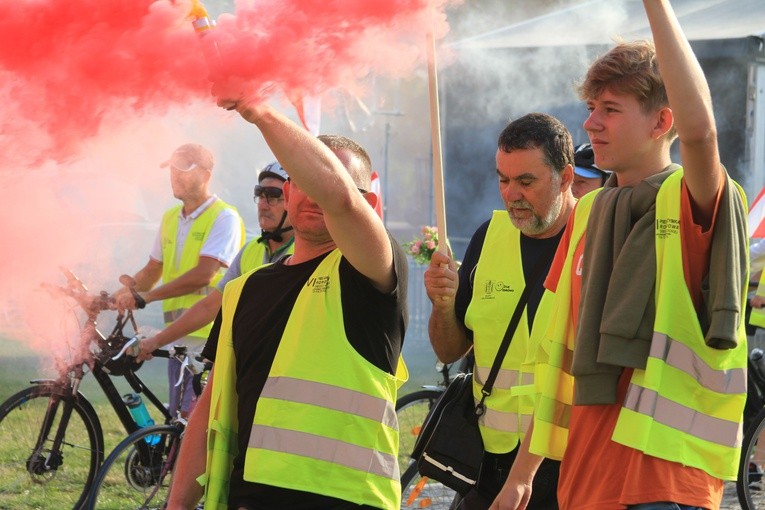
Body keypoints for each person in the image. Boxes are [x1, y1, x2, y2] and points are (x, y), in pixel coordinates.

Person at [497, 2, 749, 509]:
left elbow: (701, 135)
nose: (590, 124)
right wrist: (521, 475)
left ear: (662, 120)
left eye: (610, 109)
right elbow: (561, 364)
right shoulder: (589, 213)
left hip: (664, 486)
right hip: (585, 485)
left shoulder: (692, 197)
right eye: (591, 107)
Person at [166, 103, 408, 510]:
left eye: (329, 184)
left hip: (347, 499)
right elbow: (211, 408)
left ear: (368, 205)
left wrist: (256, 108)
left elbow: (341, 202)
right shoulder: (245, 289)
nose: (317, 195)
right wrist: (177, 505)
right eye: (302, 181)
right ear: (289, 191)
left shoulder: (370, 270)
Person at [424, 112, 576, 510]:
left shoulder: (595, 236)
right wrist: (442, 307)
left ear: (567, 177)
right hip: (490, 467)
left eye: (526, 181)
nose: (511, 194)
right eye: (503, 179)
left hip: (572, 467)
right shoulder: (487, 236)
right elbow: (449, 350)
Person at [115, 143, 244, 419]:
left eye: (183, 169)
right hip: (176, 339)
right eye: (171, 169)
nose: (175, 175)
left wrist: (147, 297)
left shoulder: (224, 217)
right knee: (176, 420)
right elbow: (152, 271)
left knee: (192, 422)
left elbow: (204, 274)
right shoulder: (170, 217)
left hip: (208, 338)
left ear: (206, 175)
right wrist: (119, 295)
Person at [135, 160, 295, 360]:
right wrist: (156, 341)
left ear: (294, 200)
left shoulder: (307, 252)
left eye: (273, 196)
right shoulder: (250, 251)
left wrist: (146, 298)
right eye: (259, 195)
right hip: (238, 362)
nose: (263, 204)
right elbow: (210, 305)